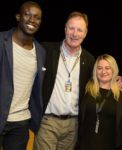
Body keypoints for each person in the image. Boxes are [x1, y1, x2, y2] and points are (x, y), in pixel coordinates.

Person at [33, 11, 95, 150]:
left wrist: (115, 81)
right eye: (71, 28)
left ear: (85, 33)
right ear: (65, 29)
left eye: (80, 30)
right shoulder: (46, 50)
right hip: (47, 123)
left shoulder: (89, 60)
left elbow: (97, 83)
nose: (75, 33)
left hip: (73, 126)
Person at [0, 1, 46, 150]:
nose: (32, 20)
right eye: (27, 15)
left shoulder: (40, 52)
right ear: (18, 17)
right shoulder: (1, 41)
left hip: (21, 123)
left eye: (37, 17)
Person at [78, 54, 122, 150]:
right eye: (99, 68)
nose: (103, 71)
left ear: (113, 70)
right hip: (86, 145)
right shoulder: (87, 90)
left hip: (111, 145)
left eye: (107, 68)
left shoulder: (121, 95)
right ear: (95, 71)